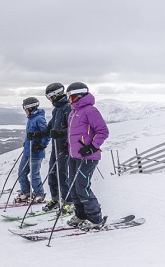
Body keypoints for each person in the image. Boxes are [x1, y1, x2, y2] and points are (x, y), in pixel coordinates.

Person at [65, 82, 109, 231]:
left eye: (71, 97)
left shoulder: (90, 111)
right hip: (74, 156)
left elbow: (103, 131)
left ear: (79, 96)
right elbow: (74, 135)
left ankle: (95, 218)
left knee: (82, 188)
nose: (69, 99)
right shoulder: (73, 112)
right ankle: (81, 215)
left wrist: (92, 147)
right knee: (73, 186)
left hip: (88, 157)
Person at [41, 82, 73, 213]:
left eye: (49, 96)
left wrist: (61, 133)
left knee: (62, 174)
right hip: (56, 146)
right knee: (52, 173)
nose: (49, 99)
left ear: (56, 94)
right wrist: (38, 134)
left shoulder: (68, 108)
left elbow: (72, 128)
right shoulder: (56, 110)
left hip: (65, 147)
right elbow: (50, 127)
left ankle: (68, 201)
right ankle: (55, 199)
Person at [16, 97, 50, 203]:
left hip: (36, 152)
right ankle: (26, 192)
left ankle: (39, 194)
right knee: (21, 173)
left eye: (25, 108)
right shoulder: (31, 118)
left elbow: (46, 133)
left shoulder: (39, 118)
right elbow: (30, 135)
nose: (24, 110)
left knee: (34, 174)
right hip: (27, 150)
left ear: (30, 108)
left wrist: (41, 145)